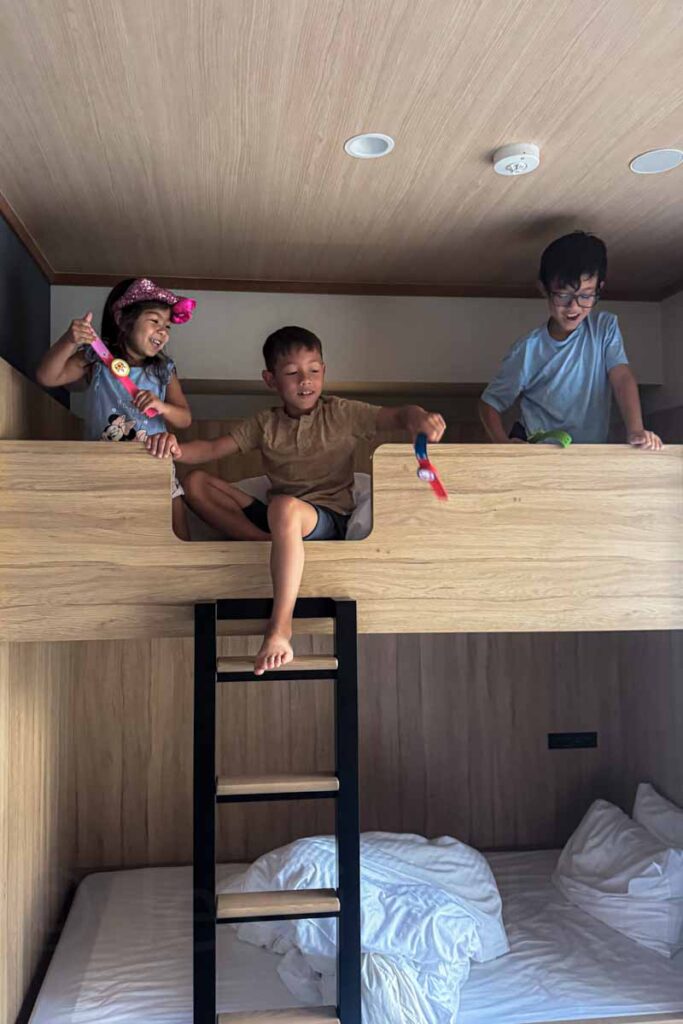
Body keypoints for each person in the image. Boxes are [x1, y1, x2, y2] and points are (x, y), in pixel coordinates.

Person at [146, 325, 446, 674]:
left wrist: (421, 419)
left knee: (284, 507)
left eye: (314, 371)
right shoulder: (265, 424)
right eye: (292, 373)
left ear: (324, 372)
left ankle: (280, 628)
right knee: (196, 482)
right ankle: (270, 544)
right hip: (276, 519)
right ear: (270, 380)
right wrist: (171, 447)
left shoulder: (342, 413)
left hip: (325, 517)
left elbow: (398, 415)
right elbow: (213, 449)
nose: (305, 380)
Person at [36, 277, 196, 538]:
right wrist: (69, 340)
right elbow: (47, 377)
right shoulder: (96, 359)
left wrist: (161, 406)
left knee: (178, 532)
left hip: (153, 462)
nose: (164, 331)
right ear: (122, 320)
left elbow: (185, 418)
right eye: (155, 321)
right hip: (103, 466)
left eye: (167, 326)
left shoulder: (163, 369)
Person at [478, 232, 662, 450]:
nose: (574, 307)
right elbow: (488, 404)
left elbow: (622, 378)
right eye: (563, 295)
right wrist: (503, 446)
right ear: (543, 289)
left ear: (598, 289)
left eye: (585, 296)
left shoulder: (604, 329)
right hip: (538, 450)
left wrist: (636, 430)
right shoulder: (528, 350)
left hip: (587, 452)